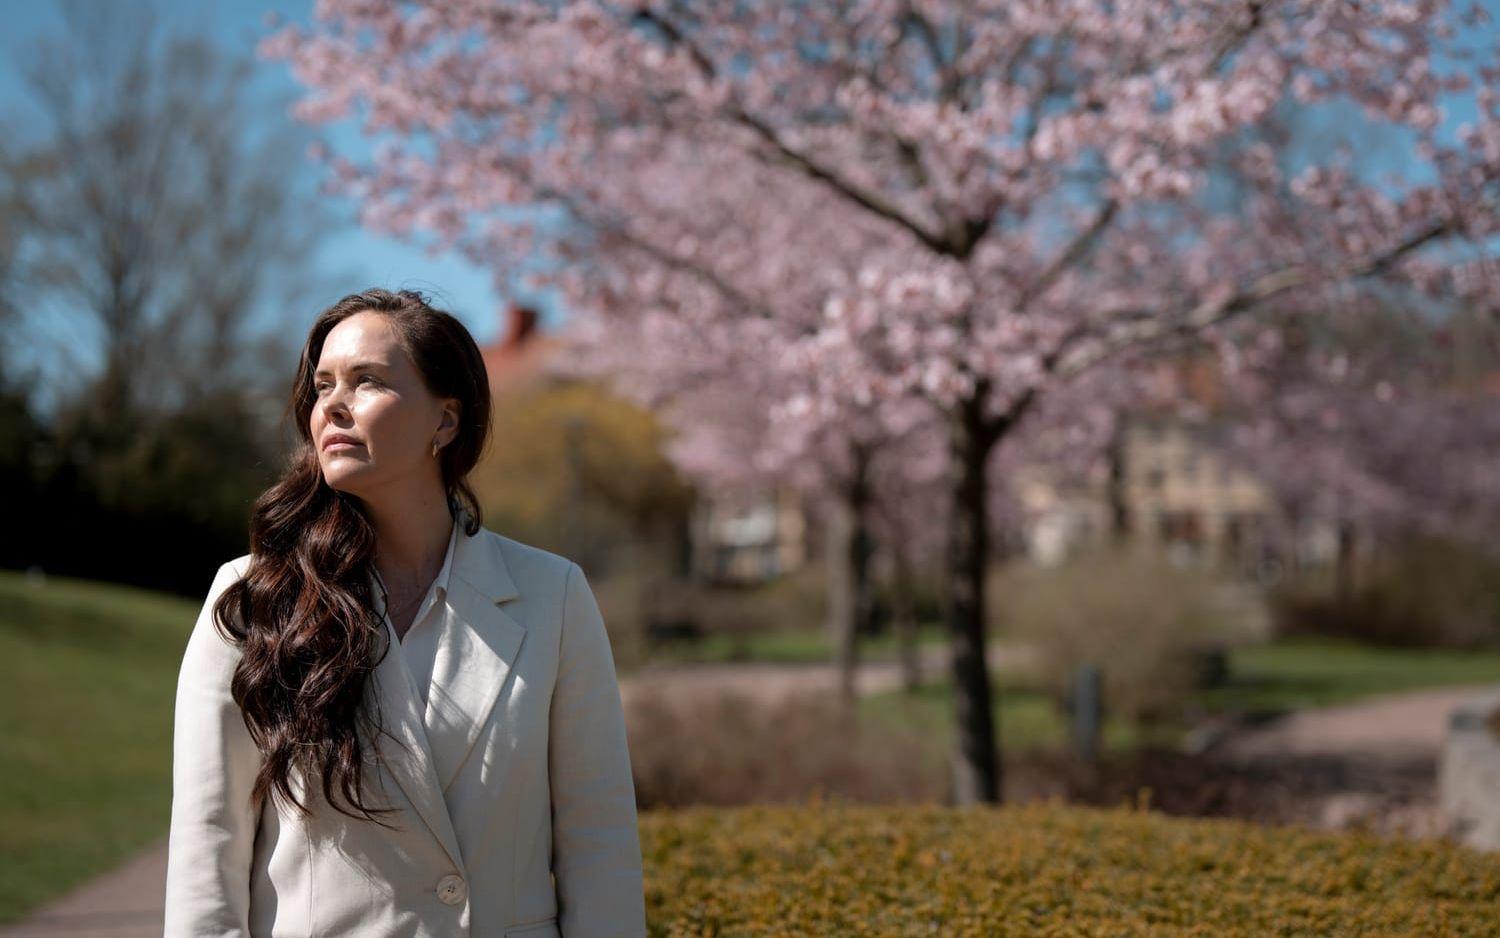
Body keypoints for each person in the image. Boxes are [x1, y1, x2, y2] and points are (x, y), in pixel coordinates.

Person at [164, 288, 646, 936]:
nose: (332, 404)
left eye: (366, 382)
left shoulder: (552, 596)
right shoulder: (253, 599)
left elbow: (599, 844)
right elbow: (207, 848)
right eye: (323, 384)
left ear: (445, 423)